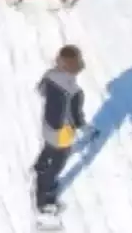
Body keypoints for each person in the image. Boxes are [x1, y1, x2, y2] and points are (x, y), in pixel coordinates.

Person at [32, 44, 96, 215]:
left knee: (48, 146)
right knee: (57, 164)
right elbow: (76, 118)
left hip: (47, 125)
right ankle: (43, 198)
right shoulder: (75, 92)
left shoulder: (50, 75)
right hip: (62, 134)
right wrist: (85, 128)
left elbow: (41, 91)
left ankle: (39, 165)